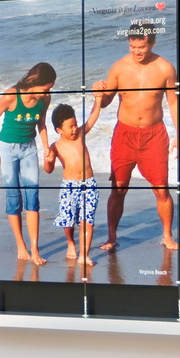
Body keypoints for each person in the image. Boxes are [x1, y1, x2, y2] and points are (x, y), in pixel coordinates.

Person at [93, 23, 180, 253]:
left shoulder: (165, 69)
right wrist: (98, 94)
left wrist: (179, 134)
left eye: (141, 47)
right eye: (132, 46)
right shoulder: (119, 68)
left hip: (154, 136)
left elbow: (173, 103)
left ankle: (167, 236)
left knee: (161, 189)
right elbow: (106, 101)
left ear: (152, 43)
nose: (137, 51)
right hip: (125, 134)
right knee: (118, 189)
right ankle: (112, 237)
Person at [0, 62, 55, 264]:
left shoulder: (44, 99)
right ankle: (21, 245)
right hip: (7, 148)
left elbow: (42, 124)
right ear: (36, 82)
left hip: (29, 148)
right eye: (47, 88)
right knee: (13, 196)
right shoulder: (12, 95)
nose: (48, 92)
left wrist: (46, 147)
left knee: (33, 197)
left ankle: (35, 249)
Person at [42, 99, 101, 262]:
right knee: (67, 221)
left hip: (89, 184)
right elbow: (49, 170)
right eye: (70, 127)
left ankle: (84, 255)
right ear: (59, 130)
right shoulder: (56, 146)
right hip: (69, 187)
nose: (75, 129)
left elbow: (93, 117)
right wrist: (47, 159)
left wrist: (98, 98)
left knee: (87, 220)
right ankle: (70, 242)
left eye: (75, 124)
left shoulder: (81, 134)